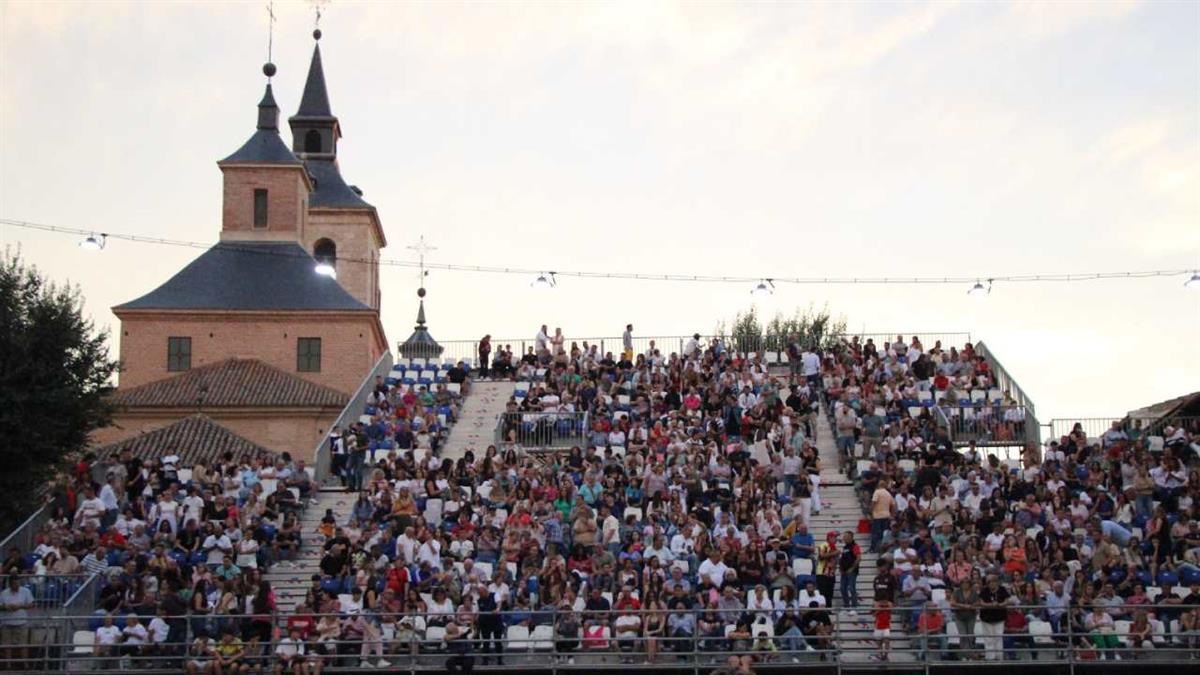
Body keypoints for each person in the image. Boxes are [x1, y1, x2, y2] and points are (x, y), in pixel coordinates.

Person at [0, 575, 34, 669]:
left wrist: (20, 606)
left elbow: (32, 604)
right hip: (7, 623)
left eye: (18, 583)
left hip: (21, 622)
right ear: (10, 584)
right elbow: (0, 606)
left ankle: (25, 664)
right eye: (14, 583)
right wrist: (5, 607)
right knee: (7, 646)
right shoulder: (4, 593)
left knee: (23, 645)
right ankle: (8, 665)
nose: (17, 585)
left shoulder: (26, 591)